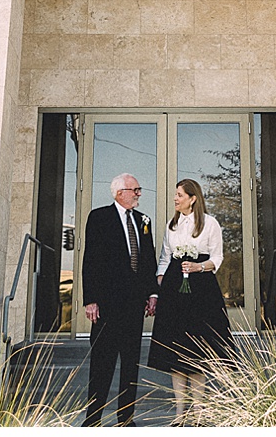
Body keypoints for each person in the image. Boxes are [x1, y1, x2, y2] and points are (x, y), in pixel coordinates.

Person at [146, 178, 235, 423]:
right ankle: (179, 413)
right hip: (174, 292)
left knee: (197, 353)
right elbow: (164, 257)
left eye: (179, 195)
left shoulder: (210, 224)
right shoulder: (172, 225)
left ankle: (198, 412)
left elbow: (217, 258)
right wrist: (163, 281)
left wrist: (198, 267)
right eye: (175, 195)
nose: (175, 199)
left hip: (201, 291)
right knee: (176, 352)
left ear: (192, 198)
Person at [82, 172, 159, 426]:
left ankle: (126, 419)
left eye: (138, 189)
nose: (138, 194)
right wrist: (90, 299)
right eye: (134, 189)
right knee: (102, 364)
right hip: (107, 305)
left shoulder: (143, 220)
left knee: (130, 364)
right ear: (119, 193)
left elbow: (148, 259)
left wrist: (152, 293)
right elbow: (90, 260)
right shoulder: (99, 217)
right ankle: (92, 420)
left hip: (134, 306)